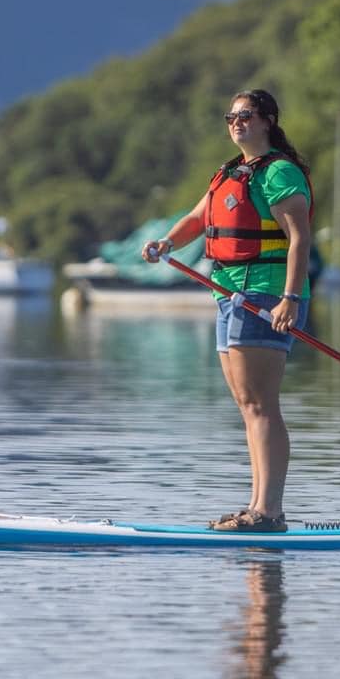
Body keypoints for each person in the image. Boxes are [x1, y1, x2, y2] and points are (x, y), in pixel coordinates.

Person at [142, 89, 313, 532]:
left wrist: (290, 299)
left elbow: (300, 238)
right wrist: (167, 242)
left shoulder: (279, 173)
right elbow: (199, 219)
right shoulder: (229, 173)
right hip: (229, 293)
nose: (236, 122)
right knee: (247, 405)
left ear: (268, 121)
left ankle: (268, 511)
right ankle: (259, 506)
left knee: (261, 404)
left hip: (266, 295)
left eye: (246, 115)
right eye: (231, 116)